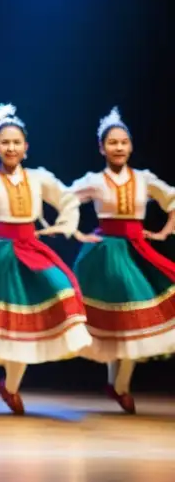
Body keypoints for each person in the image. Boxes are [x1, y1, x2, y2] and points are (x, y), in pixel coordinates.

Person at [0, 104, 91, 415]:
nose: (11, 148)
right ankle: (10, 388)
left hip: (32, 248)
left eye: (16, 142)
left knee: (60, 291)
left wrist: (63, 226)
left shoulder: (39, 178)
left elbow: (67, 199)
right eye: (5, 142)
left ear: (26, 147)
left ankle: (9, 387)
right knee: (9, 320)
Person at [69, 107, 175, 413]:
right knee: (118, 317)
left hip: (137, 249)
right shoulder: (94, 180)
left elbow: (171, 199)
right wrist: (74, 231)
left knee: (134, 317)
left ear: (130, 146)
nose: (118, 148)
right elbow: (65, 199)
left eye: (123, 142)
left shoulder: (144, 179)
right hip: (105, 252)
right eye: (112, 143)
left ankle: (119, 385)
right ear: (102, 148)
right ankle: (118, 384)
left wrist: (165, 231)